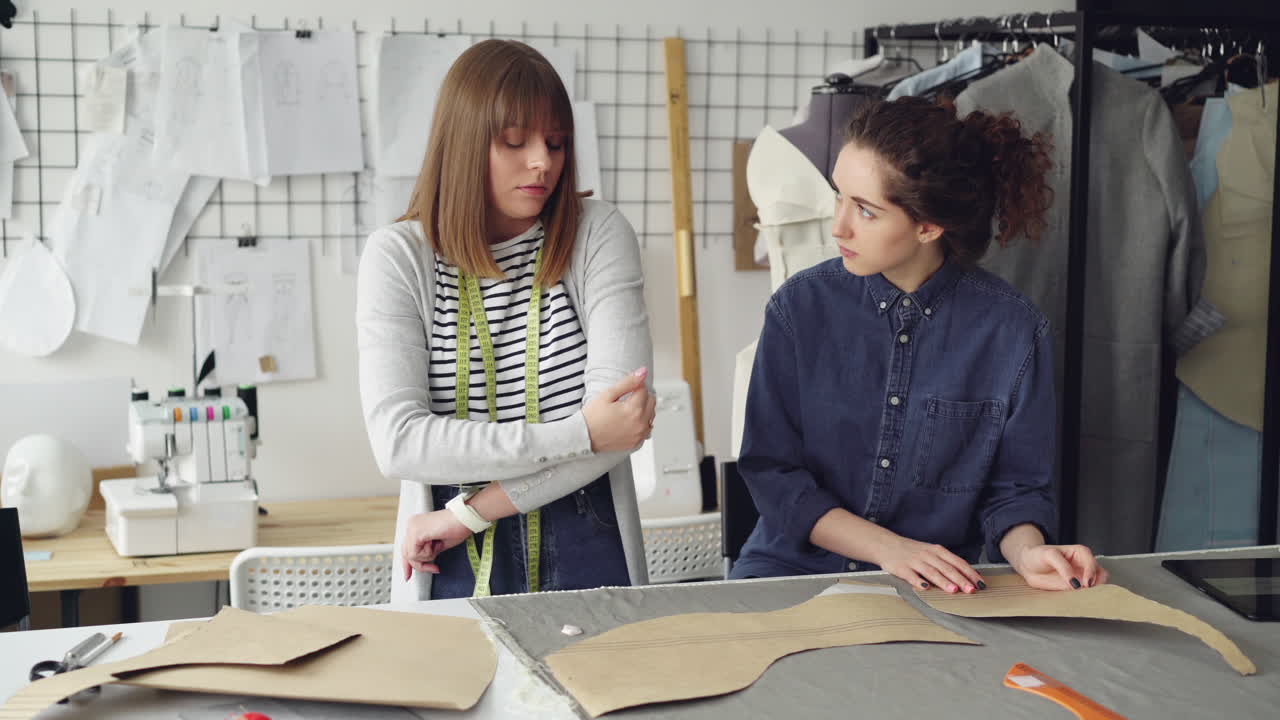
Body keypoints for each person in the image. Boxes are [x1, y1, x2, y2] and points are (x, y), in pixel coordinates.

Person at [730, 97, 1108, 593]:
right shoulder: (797, 309)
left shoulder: (1014, 331)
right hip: (786, 576)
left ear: (929, 226)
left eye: (864, 210)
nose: (838, 225)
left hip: (930, 592)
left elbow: (1013, 494)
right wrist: (891, 549)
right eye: (839, 196)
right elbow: (773, 475)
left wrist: (1031, 552)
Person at [356, 39, 656, 601]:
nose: (542, 162)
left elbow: (625, 430)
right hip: (449, 566)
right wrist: (582, 433)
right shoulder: (398, 257)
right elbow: (398, 444)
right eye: (515, 142)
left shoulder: (598, 235)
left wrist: (467, 514)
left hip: (582, 532)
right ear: (464, 143)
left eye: (556, 142)